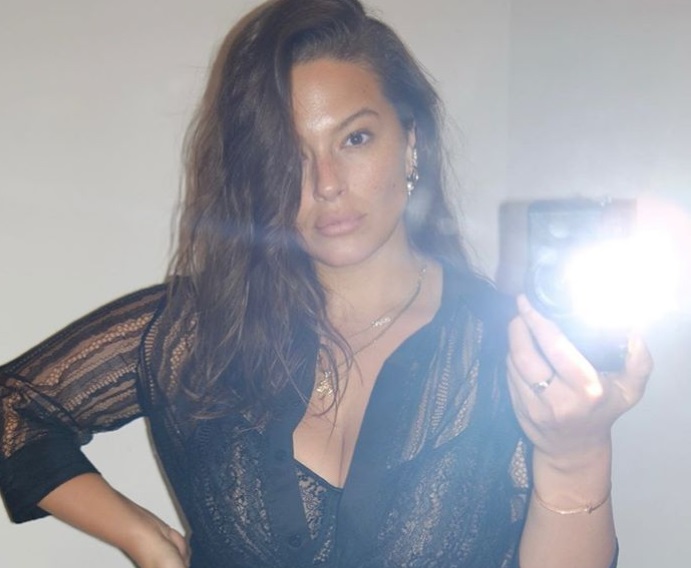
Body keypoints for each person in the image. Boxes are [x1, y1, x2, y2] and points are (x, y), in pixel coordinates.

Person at [0, 0, 653, 566]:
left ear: (410, 142)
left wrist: (575, 458)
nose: (326, 184)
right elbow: (12, 409)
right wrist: (142, 537)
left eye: (355, 138)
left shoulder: (508, 346)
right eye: (289, 155)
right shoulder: (196, 331)